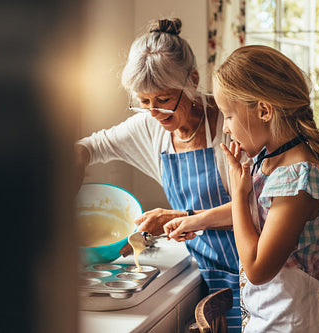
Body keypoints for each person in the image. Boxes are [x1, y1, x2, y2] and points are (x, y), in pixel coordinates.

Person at [165, 45, 319, 332]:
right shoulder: (270, 161)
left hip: (288, 324)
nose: (226, 128)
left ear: (264, 110)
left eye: (228, 115)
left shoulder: (298, 181)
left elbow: (256, 269)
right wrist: (194, 220)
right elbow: (261, 208)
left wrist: (239, 193)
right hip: (267, 318)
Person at [74, 18, 242, 331]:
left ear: (191, 80)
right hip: (207, 271)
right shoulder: (151, 127)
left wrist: (180, 217)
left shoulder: (230, 126)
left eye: (163, 100)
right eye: (144, 102)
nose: (155, 113)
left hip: (252, 266)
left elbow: (256, 207)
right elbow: (90, 147)